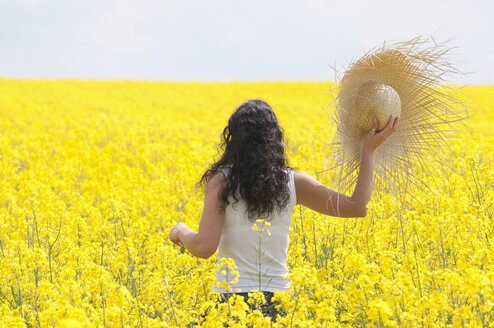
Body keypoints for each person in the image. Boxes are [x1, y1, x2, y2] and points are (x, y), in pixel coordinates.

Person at [169, 99, 399, 321]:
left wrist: (181, 230)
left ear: (233, 140)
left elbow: (204, 247)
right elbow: (356, 207)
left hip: (231, 303)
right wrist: (369, 150)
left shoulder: (222, 182)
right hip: (279, 303)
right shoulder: (293, 182)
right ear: (274, 138)